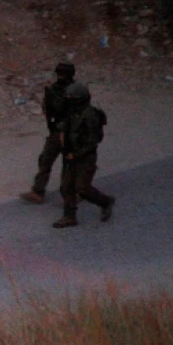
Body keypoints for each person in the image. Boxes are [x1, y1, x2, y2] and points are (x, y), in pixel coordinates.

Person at [53, 83, 115, 228]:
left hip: (85, 157)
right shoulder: (71, 112)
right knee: (66, 187)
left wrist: (75, 154)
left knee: (82, 188)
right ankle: (69, 217)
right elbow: (63, 130)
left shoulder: (91, 116)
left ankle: (105, 202)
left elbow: (93, 141)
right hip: (71, 155)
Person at [20, 61, 76, 204]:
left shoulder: (77, 91)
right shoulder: (54, 90)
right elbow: (48, 109)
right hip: (56, 132)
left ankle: (69, 196)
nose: (61, 76)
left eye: (64, 74)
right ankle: (38, 192)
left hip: (71, 134)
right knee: (45, 160)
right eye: (60, 73)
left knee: (68, 166)